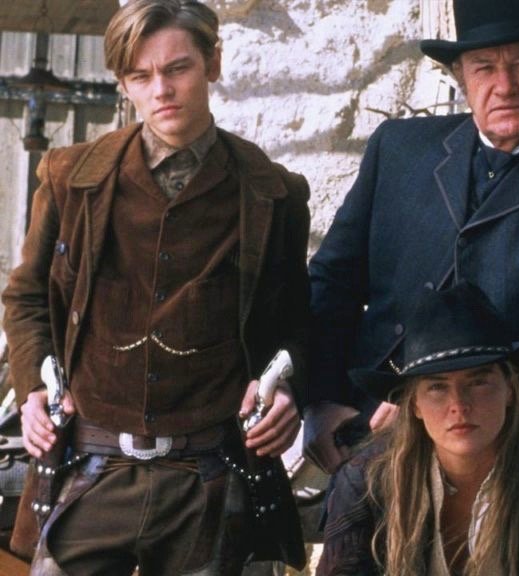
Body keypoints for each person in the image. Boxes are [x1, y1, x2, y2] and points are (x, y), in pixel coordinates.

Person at [1, 0, 310, 573]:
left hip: (210, 475)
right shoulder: (72, 179)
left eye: (177, 68)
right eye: (140, 76)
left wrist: (291, 386)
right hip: (91, 465)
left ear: (213, 63)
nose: (161, 90)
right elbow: (26, 297)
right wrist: (33, 385)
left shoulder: (272, 194)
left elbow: (298, 321)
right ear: (123, 84)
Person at [305, 0, 519, 493]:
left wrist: (455, 395)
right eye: (484, 67)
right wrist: (318, 399)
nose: (504, 86)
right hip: (374, 413)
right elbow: (331, 283)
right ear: (460, 77)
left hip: (505, 416)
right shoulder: (397, 149)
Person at [317, 282, 519, 575]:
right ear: (414, 405)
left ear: (510, 389)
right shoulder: (366, 483)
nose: (459, 405)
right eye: (438, 387)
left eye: (479, 382)